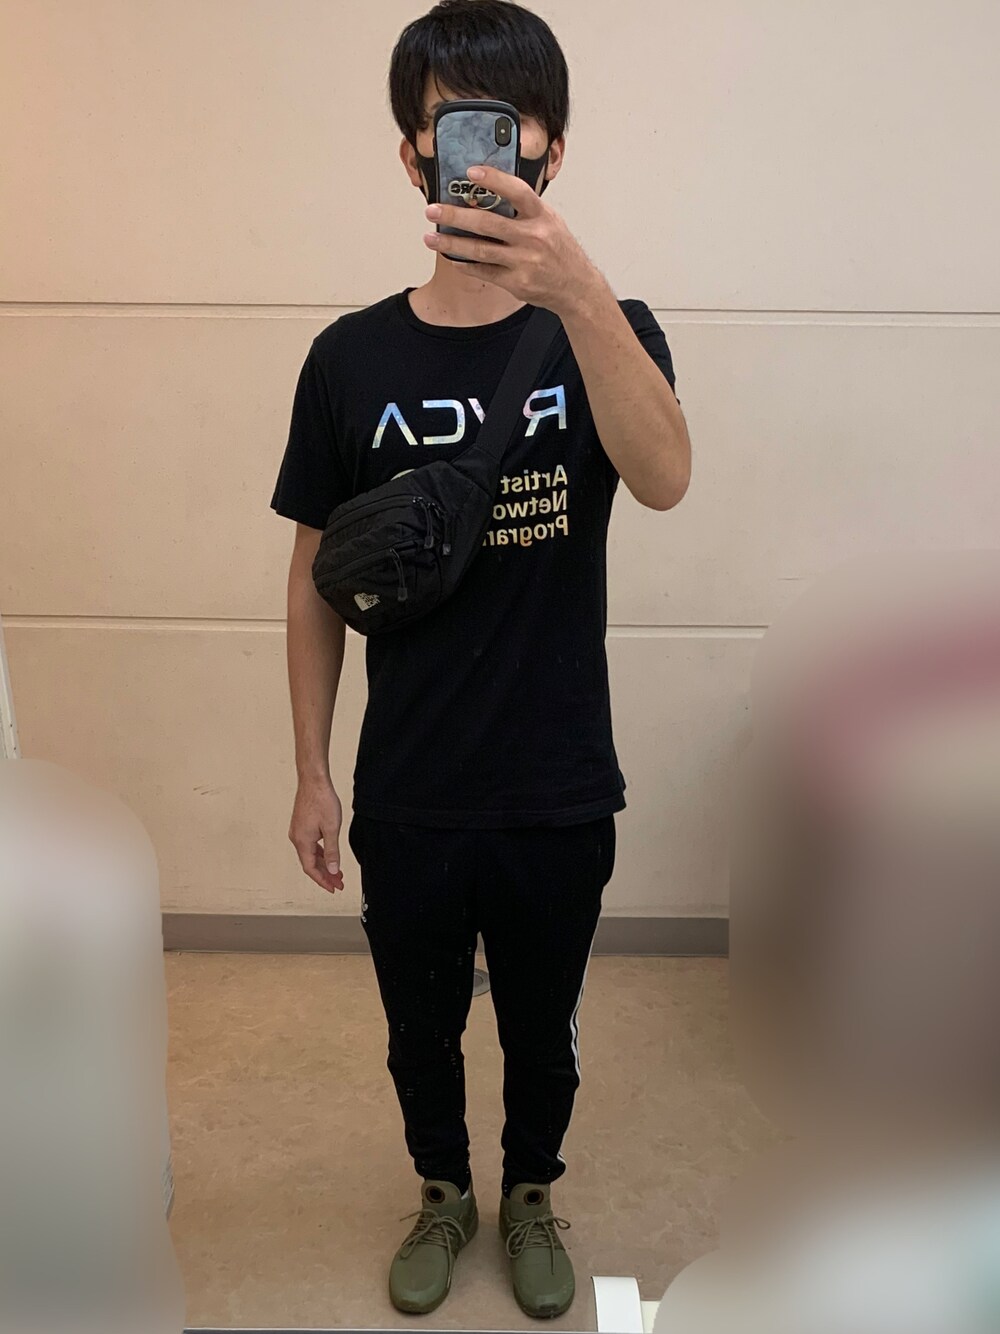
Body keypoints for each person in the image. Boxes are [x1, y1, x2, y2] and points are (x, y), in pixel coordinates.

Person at [270, 0, 690, 1317]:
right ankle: (444, 1187)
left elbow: (665, 476)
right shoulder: (348, 358)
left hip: (559, 773)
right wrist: (311, 770)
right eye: (449, 127)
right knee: (419, 1023)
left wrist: (575, 290)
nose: (478, 152)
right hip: (410, 778)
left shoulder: (610, 328)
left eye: (506, 125)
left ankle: (531, 1190)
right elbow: (312, 581)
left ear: (551, 148)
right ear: (412, 155)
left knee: (544, 1025)